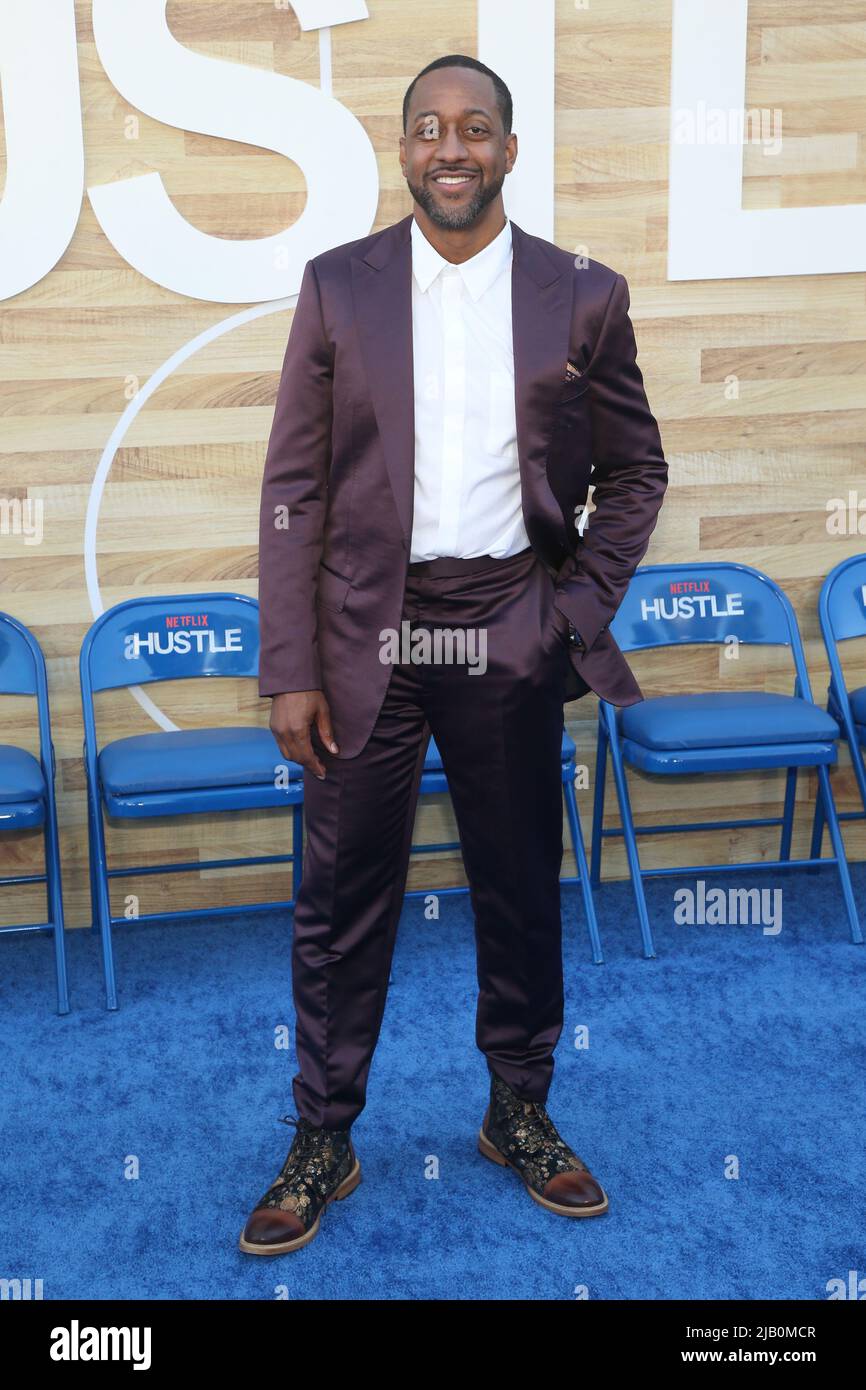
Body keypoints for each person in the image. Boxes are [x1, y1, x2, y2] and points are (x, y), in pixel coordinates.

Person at [240, 54, 668, 1255]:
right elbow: (293, 487)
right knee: (339, 897)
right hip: (360, 628)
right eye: (427, 127)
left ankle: (517, 1111)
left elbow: (635, 471)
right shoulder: (338, 288)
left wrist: (571, 610)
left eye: (473, 127)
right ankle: (324, 1131)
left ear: (509, 151)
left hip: (507, 624)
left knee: (520, 883)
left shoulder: (584, 296)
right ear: (403, 150)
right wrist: (290, 665)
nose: (450, 147)